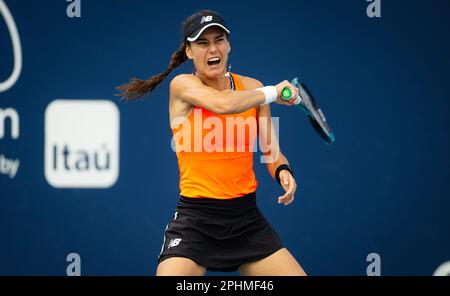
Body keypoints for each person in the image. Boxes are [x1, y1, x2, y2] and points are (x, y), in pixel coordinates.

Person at [117, 9, 307, 276]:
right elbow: (222, 104)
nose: (212, 48)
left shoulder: (252, 87)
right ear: (189, 52)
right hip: (195, 222)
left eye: (219, 40)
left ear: (228, 45)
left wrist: (283, 171)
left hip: (247, 222)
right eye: (202, 43)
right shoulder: (182, 85)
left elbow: (272, 152)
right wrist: (272, 92)